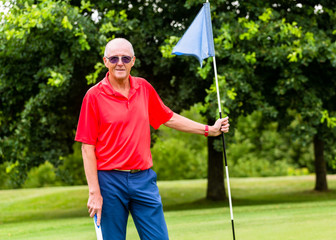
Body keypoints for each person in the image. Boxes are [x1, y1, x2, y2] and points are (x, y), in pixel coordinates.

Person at [75, 38, 229, 240]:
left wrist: (209, 130)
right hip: (109, 181)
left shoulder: (144, 88)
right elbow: (87, 148)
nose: (119, 62)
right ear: (105, 62)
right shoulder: (93, 96)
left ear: (133, 61)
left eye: (125, 58)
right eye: (114, 58)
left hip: (143, 179)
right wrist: (94, 192)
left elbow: (169, 117)